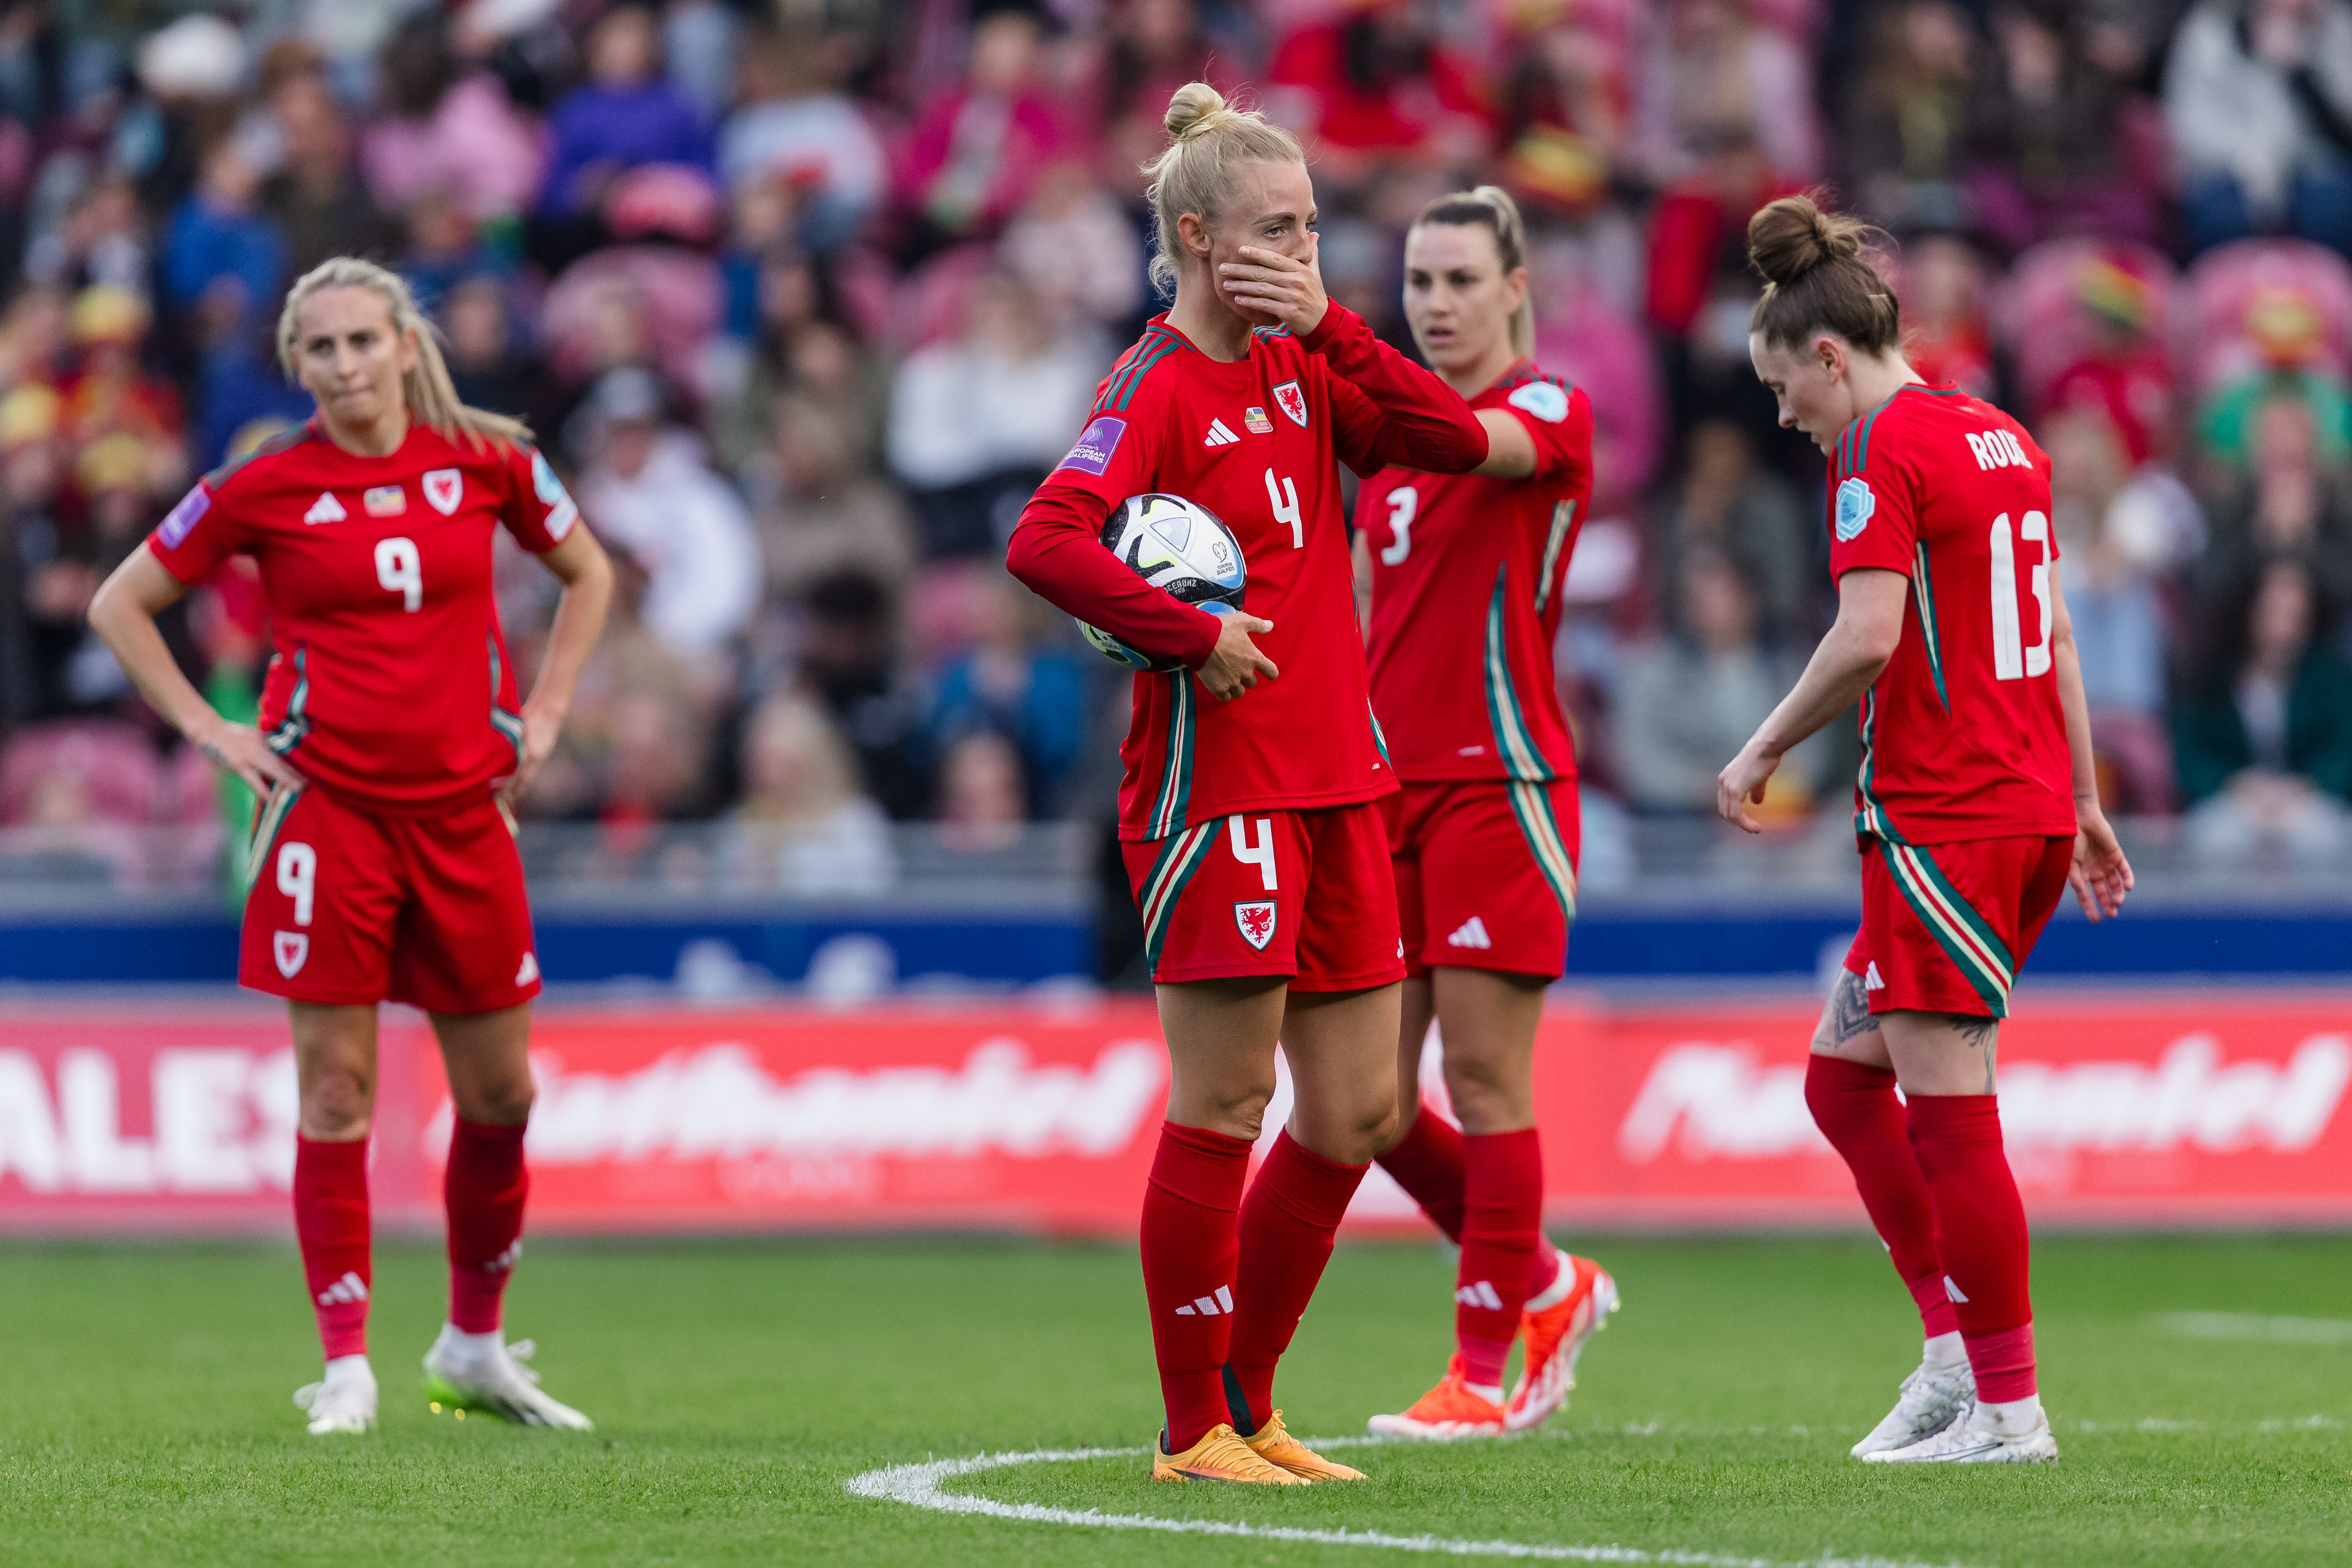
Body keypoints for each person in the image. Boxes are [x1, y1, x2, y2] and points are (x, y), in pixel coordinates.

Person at [1004, 82, 1493, 1485]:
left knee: (1346, 1112)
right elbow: (1046, 540)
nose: (1302, 244)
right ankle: (1186, 1428)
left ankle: (1250, 1400)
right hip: (1216, 791)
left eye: (1313, 223)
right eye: (1276, 225)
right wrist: (1191, 631)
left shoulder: (1305, 357)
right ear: (1197, 235)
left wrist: (1332, 318)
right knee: (1219, 1107)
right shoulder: (1152, 384)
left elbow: (1452, 442)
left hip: (1342, 781)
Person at [85, 257, 615, 1437]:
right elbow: (121, 602)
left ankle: (473, 1347)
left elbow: (587, 573)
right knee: (335, 1091)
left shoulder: (492, 460)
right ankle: (346, 1367)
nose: (343, 366)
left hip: (466, 812)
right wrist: (210, 728)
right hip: (328, 813)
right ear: (296, 362)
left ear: (405, 343)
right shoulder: (262, 484)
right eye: (319, 348)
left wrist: (549, 713)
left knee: (503, 1093)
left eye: (361, 342)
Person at [1718, 195, 2133, 1465]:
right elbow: (2052, 631)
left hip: (1946, 820)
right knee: (1841, 1082)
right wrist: (2085, 800)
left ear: (1830, 358)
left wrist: (1763, 744)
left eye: (1788, 391)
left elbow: (1867, 637)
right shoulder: (2001, 434)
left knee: (1954, 1117)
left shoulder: (1879, 453)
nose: (1787, 418)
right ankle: (1953, 1356)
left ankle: (2008, 1410)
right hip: (2015, 813)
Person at [1350, 185, 1616, 1441]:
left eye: (1462, 280)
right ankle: (1547, 1280)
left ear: (1518, 287)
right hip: (1388, 790)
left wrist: (1334, 347)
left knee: (1484, 1077)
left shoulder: (1544, 411)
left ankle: (1484, 1368)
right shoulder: (1387, 458)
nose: (1438, 304)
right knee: (1365, 1099)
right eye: (1419, 282)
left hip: (1499, 783)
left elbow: (1475, 447)